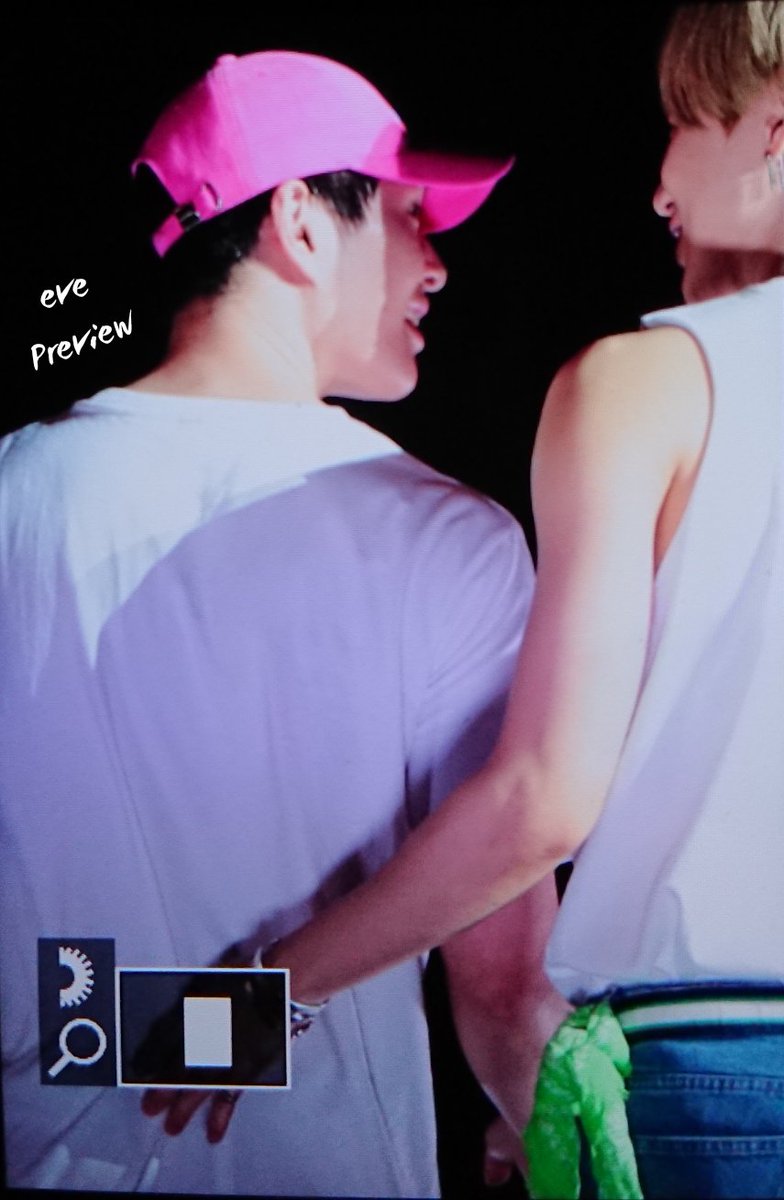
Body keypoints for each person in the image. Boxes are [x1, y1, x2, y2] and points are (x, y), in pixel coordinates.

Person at [170, 6, 783, 1196]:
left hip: (720, 1064)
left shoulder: (640, 383)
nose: (659, 187)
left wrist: (264, 993)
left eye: (679, 125)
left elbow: (544, 797)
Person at [0, 50, 569, 1198]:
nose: (437, 265)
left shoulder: (13, 494)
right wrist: (556, 1133)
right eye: (410, 219)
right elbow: (504, 987)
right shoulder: (443, 538)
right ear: (301, 223)